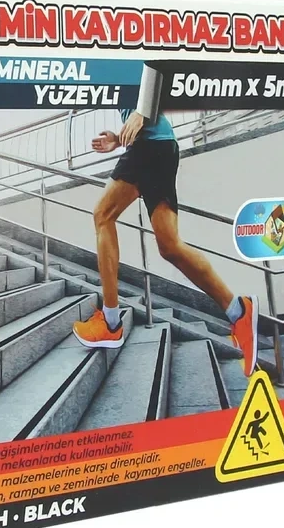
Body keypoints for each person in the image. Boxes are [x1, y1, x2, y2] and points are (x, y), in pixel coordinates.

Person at [71, 108, 259, 377]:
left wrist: (144, 111)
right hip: (159, 147)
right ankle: (238, 311)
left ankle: (111, 324)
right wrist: (118, 138)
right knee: (170, 247)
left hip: (149, 146)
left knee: (103, 215)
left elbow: (161, 83)